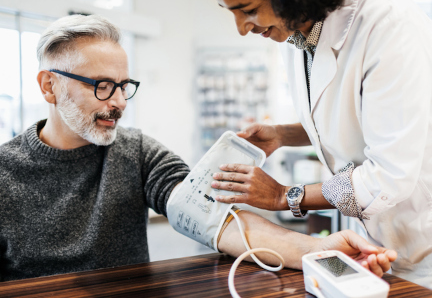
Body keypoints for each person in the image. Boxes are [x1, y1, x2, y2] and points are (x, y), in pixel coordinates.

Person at [0, 14, 396, 282]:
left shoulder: (135, 151)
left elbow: (212, 216)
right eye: (101, 86)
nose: (119, 101)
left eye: (124, 86)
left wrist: (317, 249)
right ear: (49, 86)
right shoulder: (5, 173)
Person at [202, 0, 432, 288]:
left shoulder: (390, 25)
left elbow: (388, 176)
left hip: (425, 244)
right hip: (380, 243)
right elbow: (349, 120)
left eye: (248, 10)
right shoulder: (296, 32)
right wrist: (283, 134)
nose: (242, 28)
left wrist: (286, 196)